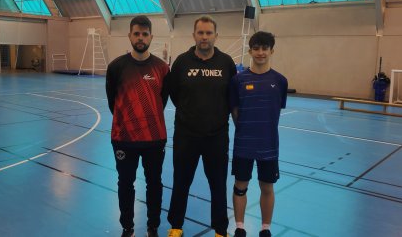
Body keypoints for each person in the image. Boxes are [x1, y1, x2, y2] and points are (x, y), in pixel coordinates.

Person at [167, 16, 237, 237]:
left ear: (216, 36)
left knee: (218, 185)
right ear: (194, 35)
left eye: (208, 33)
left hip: (216, 137)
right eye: (201, 33)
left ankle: (220, 230)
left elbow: (232, 97)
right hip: (186, 136)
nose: (204, 37)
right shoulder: (181, 62)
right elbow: (174, 94)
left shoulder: (226, 63)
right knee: (181, 182)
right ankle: (176, 226)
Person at [106, 15, 169, 237]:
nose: (140, 38)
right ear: (130, 36)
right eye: (136, 34)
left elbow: (163, 99)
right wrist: (128, 121)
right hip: (124, 138)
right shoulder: (116, 67)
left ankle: (153, 226)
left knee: (154, 183)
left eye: (145, 34)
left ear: (151, 36)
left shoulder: (162, 68)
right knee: (125, 183)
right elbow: (112, 101)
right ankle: (128, 227)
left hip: (154, 138)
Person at [229, 31, 287, 237]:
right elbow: (235, 111)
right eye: (256, 48)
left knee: (267, 187)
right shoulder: (238, 80)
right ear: (250, 50)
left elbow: (275, 111)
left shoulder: (280, 81)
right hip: (243, 144)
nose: (260, 53)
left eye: (264, 48)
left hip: (269, 144)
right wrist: (245, 129)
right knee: (240, 186)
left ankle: (265, 228)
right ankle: (239, 227)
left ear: (272, 51)